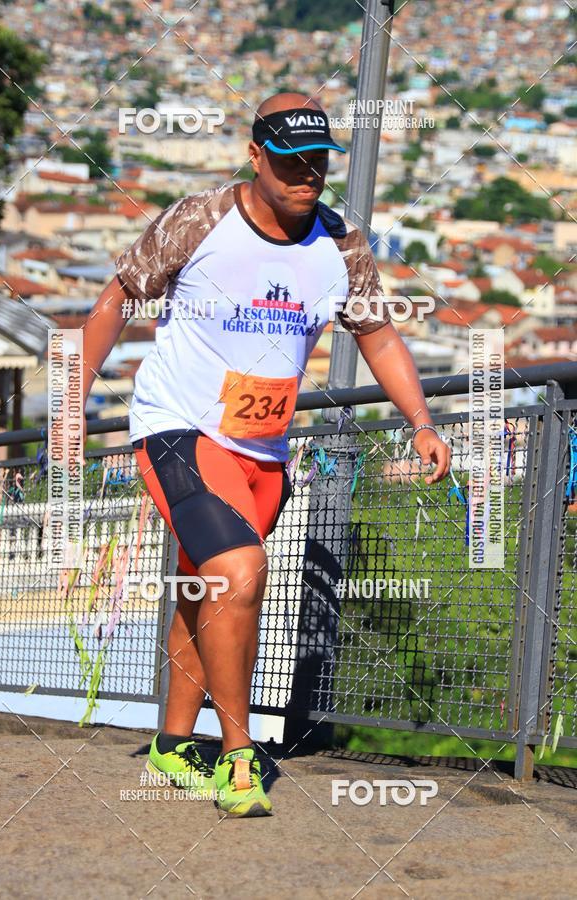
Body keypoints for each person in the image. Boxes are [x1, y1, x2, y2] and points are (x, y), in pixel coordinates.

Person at [81, 91, 450, 818]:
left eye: (318, 160)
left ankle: (172, 747)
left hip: (264, 452)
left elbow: (376, 333)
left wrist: (420, 422)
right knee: (241, 569)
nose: (306, 172)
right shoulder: (200, 218)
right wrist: (69, 405)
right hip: (178, 427)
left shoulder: (341, 242)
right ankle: (240, 754)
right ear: (256, 156)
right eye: (289, 159)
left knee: (210, 588)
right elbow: (115, 299)